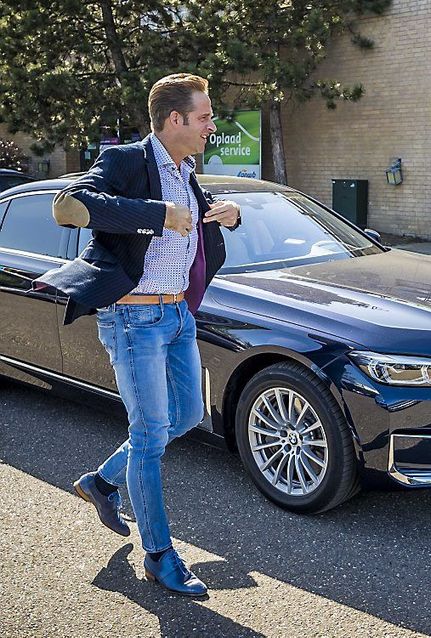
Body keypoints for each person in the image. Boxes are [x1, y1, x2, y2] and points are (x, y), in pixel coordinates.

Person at [35, 73, 241, 597]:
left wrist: (228, 216)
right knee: (151, 434)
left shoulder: (186, 171)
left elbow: (191, 220)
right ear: (174, 119)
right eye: (203, 118)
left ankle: (102, 481)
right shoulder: (126, 160)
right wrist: (156, 216)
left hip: (178, 317)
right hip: (134, 319)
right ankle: (159, 555)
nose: (211, 127)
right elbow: (69, 203)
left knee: (189, 415)